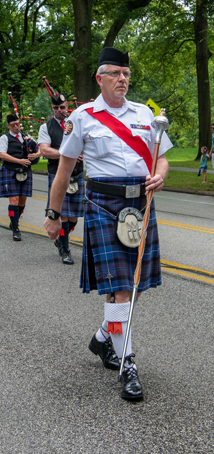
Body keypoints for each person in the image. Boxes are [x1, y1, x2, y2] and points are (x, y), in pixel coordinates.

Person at [44, 47, 173, 401]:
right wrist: (54, 215)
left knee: (136, 287)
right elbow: (64, 170)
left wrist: (159, 177)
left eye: (126, 74)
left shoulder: (146, 115)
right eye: (115, 73)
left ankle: (104, 337)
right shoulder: (83, 117)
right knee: (121, 287)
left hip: (140, 203)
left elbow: (161, 160)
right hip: (103, 204)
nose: (122, 80)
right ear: (99, 78)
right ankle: (126, 362)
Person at [38, 91, 84, 265]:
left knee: (73, 218)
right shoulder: (46, 127)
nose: (59, 110)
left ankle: (61, 238)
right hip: (58, 174)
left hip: (77, 174)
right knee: (63, 215)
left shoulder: (76, 123)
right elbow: (45, 150)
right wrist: (68, 154)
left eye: (62, 107)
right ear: (52, 108)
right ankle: (65, 249)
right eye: (56, 107)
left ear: (67, 107)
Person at [0, 113, 40, 241]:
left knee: (22, 200)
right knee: (13, 200)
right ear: (8, 125)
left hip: (25, 171)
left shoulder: (27, 137)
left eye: (18, 124)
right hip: (10, 170)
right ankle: (16, 229)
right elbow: (2, 155)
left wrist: (35, 155)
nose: (16, 127)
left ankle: (14, 220)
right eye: (13, 125)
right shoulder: (4, 138)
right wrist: (19, 161)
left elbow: (40, 149)